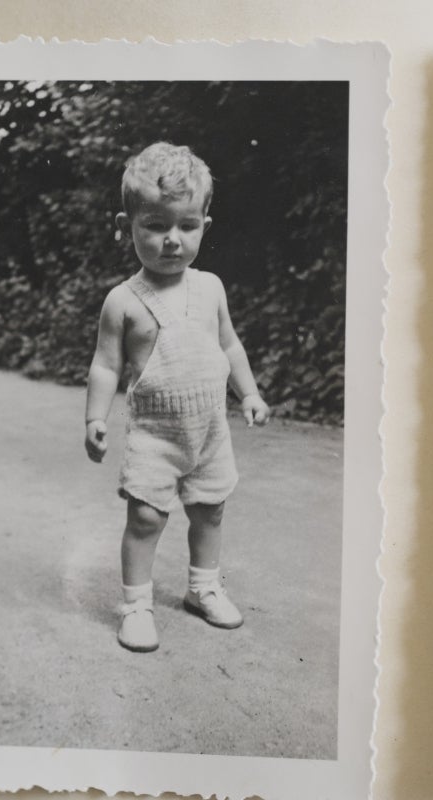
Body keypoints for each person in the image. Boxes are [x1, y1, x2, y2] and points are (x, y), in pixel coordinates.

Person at [83, 143, 270, 652]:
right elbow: (105, 364)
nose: (172, 240)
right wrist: (96, 418)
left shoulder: (210, 288)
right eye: (156, 225)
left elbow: (229, 345)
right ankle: (136, 605)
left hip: (209, 431)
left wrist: (248, 392)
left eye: (186, 226)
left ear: (204, 227)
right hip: (155, 436)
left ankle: (203, 587)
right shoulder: (123, 301)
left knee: (211, 510)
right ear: (127, 224)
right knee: (146, 517)